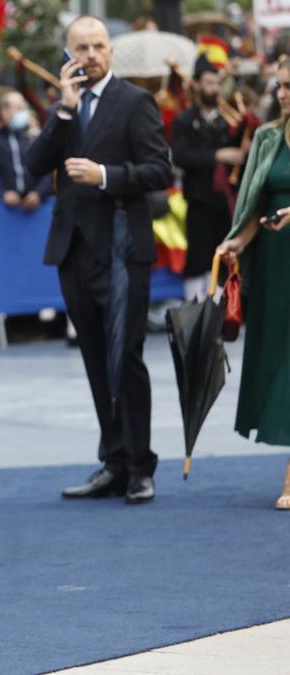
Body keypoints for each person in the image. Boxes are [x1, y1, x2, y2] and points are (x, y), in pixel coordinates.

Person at [25, 16, 171, 504]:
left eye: (98, 46)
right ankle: (113, 460)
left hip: (122, 248)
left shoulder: (134, 102)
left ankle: (139, 465)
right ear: (69, 56)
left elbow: (159, 171)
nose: (90, 55)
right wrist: (63, 112)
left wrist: (105, 174)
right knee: (93, 356)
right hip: (73, 250)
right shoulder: (63, 107)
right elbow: (32, 166)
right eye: (81, 48)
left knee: (125, 355)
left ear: (110, 51)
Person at [216, 59, 290, 509]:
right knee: (281, 361)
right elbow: (253, 209)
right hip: (277, 267)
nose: (285, 94)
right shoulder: (266, 136)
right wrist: (235, 243)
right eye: (281, 85)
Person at [172, 55, 246, 299]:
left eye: (217, 83)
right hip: (198, 201)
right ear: (196, 84)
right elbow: (181, 157)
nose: (214, 89)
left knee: (224, 258)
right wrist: (216, 155)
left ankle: (222, 313)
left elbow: (239, 154)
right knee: (198, 260)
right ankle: (196, 317)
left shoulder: (228, 120)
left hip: (225, 202)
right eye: (208, 83)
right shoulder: (184, 120)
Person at [0, 90, 50, 213]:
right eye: (19, 108)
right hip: (5, 207)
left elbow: (47, 169)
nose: (24, 112)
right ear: (4, 112)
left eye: (24, 107)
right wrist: (3, 192)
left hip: (36, 206)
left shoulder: (34, 136)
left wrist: (38, 193)